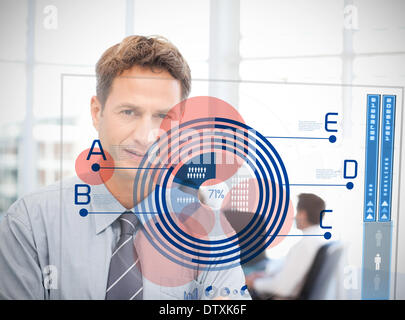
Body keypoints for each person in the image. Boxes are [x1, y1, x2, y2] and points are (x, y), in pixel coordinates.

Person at [0, 35, 249, 300]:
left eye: (163, 116)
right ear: (97, 113)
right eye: (129, 112)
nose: (145, 136)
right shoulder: (29, 223)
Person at [246, 193, 327, 299]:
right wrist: (265, 275)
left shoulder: (305, 246)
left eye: (297, 212)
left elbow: (282, 287)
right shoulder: (318, 241)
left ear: (302, 214)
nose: (295, 217)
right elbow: (290, 271)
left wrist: (252, 283)